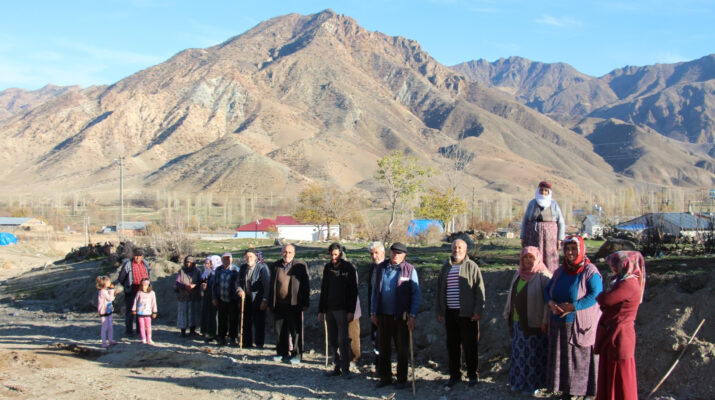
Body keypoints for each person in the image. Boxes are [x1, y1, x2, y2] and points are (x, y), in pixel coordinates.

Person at [544, 235, 603, 400]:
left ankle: (581, 392)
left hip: (579, 324)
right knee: (563, 358)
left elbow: (596, 294)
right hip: (559, 323)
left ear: (581, 249)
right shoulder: (560, 271)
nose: (570, 252)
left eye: (574, 249)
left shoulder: (590, 271)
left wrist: (573, 306)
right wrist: (551, 304)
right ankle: (566, 390)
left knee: (579, 359)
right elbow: (547, 290)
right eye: (567, 249)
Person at [595, 251, 646, 400]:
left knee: (619, 374)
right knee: (610, 371)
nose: (613, 268)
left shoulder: (628, 284)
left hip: (620, 335)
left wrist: (601, 295)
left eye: (616, 264)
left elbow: (606, 300)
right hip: (613, 332)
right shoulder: (621, 281)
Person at [370, 242, 420, 390]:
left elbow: (416, 294)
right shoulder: (381, 268)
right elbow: (375, 291)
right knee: (383, 348)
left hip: (401, 316)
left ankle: (402, 379)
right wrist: (373, 312)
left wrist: (412, 315)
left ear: (404, 255)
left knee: (402, 349)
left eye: (399, 253)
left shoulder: (409, 270)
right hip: (383, 315)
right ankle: (385, 377)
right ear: (389, 252)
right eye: (393, 252)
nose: (395, 255)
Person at [503, 246, 552, 395]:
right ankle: (518, 382)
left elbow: (548, 301)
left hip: (535, 323)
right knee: (519, 355)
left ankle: (533, 384)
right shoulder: (518, 274)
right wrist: (507, 312)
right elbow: (512, 295)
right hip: (518, 322)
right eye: (525, 257)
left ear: (537, 258)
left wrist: (545, 320)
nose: (528, 260)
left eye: (531, 257)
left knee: (533, 355)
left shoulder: (544, 276)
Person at [436, 239, 485, 389]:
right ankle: (454, 375)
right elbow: (439, 289)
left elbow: (479, 290)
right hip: (450, 312)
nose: (456, 250)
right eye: (454, 247)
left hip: (467, 314)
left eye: (459, 247)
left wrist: (478, 310)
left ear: (465, 250)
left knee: (470, 346)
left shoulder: (472, 266)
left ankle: (472, 375)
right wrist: (439, 310)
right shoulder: (446, 267)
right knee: (452, 345)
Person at [319, 243, 358, 378]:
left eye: (336, 254)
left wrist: (351, 311)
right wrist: (321, 310)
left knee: (343, 340)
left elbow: (353, 291)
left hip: (342, 310)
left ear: (341, 254)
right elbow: (324, 289)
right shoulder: (327, 268)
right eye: (331, 254)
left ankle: (345, 369)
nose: (333, 257)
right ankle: (336, 366)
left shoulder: (348, 268)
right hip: (329, 309)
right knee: (332, 340)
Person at [268, 244, 310, 364]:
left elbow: (306, 285)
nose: (287, 254)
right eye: (285, 252)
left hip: (294, 304)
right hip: (279, 304)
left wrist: (305, 302)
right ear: (282, 253)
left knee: (295, 331)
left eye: (290, 252)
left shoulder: (300, 266)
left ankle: (297, 355)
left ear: (294, 254)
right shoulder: (275, 265)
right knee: (280, 330)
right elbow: (271, 285)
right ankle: (282, 353)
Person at [520, 181, 566, 272]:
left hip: (550, 238)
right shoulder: (532, 203)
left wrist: (560, 239)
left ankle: (550, 276)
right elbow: (525, 220)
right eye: (541, 190)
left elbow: (561, 222)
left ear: (549, 192)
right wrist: (523, 236)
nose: (543, 192)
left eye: (546, 191)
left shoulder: (553, 204)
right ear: (538, 191)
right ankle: (532, 276)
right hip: (532, 236)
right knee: (533, 255)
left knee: (549, 257)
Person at [237, 248, 271, 349]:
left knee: (259, 321)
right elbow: (238, 282)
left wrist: (265, 300)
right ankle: (247, 342)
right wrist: (239, 290)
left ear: (256, 257)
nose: (249, 259)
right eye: (247, 257)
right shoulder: (243, 268)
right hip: (246, 299)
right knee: (246, 321)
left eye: (251, 256)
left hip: (258, 299)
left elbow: (267, 285)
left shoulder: (262, 268)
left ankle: (259, 343)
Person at [118, 247, 150, 336]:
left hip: (142, 292)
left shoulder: (145, 264)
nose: (137, 257)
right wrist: (126, 285)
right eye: (136, 255)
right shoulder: (128, 264)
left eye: (139, 255)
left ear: (142, 256)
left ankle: (140, 330)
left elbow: (148, 275)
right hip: (131, 291)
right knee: (130, 311)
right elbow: (121, 277)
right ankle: (129, 330)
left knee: (141, 311)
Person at [212, 252, 240, 346]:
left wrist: (239, 299)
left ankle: (233, 338)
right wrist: (214, 297)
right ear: (221, 260)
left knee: (233, 319)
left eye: (228, 258)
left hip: (233, 299)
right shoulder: (218, 270)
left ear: (231, 259)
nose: (226, 260)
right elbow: (215, 285)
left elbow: (239, 284)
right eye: (224, 258)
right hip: (221, 298)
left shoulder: (236, 270)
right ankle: (222, 337)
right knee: (222, 319)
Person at [366, 241, 386, 367]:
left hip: (386, 309)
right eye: (372, 254)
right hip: (374, 308)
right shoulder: (372, 268)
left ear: (383, 252)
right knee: (375, 336)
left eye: (376, 253)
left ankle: (384, 364)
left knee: (384, 337)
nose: (374, 256)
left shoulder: (388, 267)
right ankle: (378, 361)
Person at [176, 255, 202, 337]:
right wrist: (184, 286)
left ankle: (192, 330)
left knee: (194, 313)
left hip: (194, 295)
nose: (188, 264)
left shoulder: (197, 271)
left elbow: (200, 281)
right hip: (184, 295)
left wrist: (194, 285)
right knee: (183, 313)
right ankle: (183, 331)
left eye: (190, 262)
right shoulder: (181, 271)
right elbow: (177, 282)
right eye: (187, 262)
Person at [200, 255, 220, 342]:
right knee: (210, 315)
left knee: (216, 316)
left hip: (216, 297)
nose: (210, 264)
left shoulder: (219, 272)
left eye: (211, 262)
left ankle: (217, 334)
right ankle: (210, 333)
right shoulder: (211, 273)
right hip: (209, 296)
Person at [132, 278, 157, 345]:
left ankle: (149, 338)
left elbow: (154, 303)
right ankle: (143, 338)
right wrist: (134, 309)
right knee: (141, 326)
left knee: (148, 326)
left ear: (148, 285)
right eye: (142, 285)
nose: (144, 287)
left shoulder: (152, 293)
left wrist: (154, 311)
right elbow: (135, 301)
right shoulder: (139, 293)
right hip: (140, 313)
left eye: (145, 285)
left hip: (148, 312)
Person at [96, 275, 117, 347]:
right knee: (104, 327)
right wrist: (112, 291)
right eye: (108, 282)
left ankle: (110, 340)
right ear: (104, 283)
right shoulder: (102, 292)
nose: (110, 283)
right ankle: (104, 342)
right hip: (103, 311)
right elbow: (110, 299)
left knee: (110, 326)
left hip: (108, 310)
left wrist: (111, 291)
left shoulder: (105, 291)